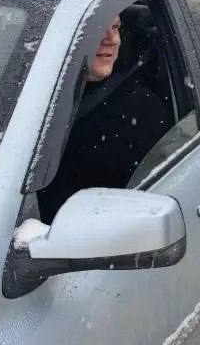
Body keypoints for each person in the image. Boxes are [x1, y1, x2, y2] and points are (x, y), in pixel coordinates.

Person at [36, 15, 172, 223]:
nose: (112, 39)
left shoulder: (142, 109)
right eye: (98, 28)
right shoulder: (26, 99)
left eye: (116, 27)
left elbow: (147, 204)